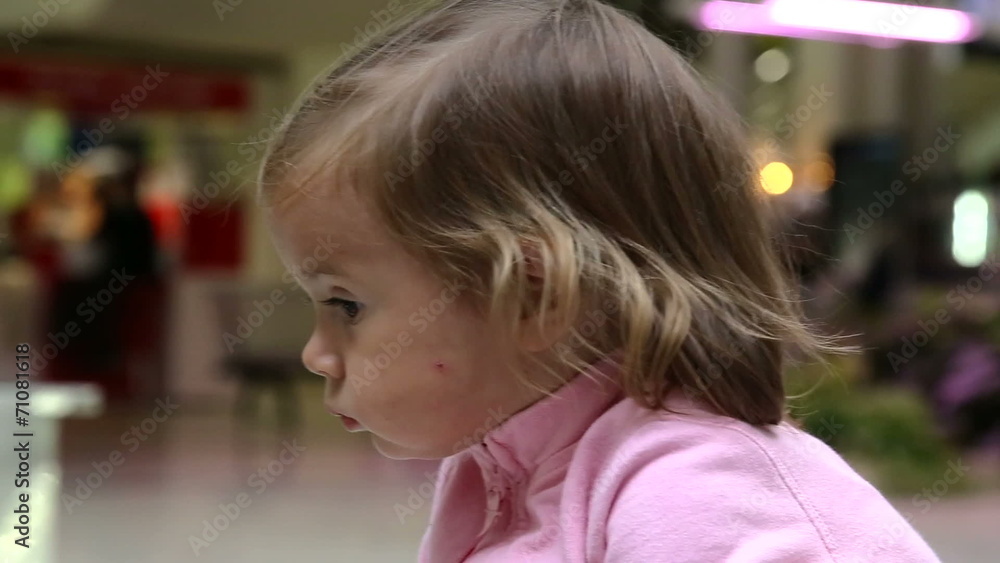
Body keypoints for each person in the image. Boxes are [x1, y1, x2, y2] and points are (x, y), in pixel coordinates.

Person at [259, 0, 940, 560]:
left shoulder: (694, 495)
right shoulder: (498, 472)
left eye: (346, 304)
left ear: (533, 294)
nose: (316, 353)